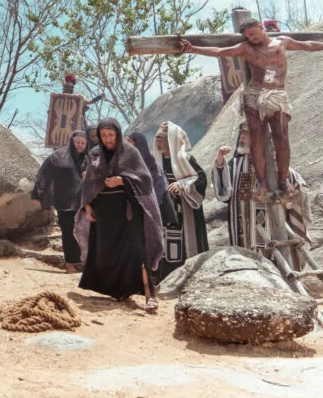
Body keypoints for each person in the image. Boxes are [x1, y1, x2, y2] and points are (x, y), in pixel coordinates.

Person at [179, 18, 323, 199]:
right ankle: (263, 183)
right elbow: (220, 51)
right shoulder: (246, 48)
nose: (251, 38)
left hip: (278, 95)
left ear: (260, 28)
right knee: (256, 140)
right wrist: (193, 49)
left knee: (282, 139)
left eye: (252, 33)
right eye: (247, 36)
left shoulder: (282, 42)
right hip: (255, 95)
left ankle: (283, 180)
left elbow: (307, 45)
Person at [74, 118, 164, 311]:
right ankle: (119, 291)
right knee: (109, 251)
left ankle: (149, 295)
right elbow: (89, 182)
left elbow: (145, 180)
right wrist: (87, 205)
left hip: (128, 211)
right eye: (104, 136)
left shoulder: (131, 152)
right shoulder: (95, 153)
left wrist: (122, 180)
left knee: (137, 250)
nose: (107, 139)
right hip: (104, 213)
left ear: (118, 134)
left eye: (111, 135)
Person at [212, 121, 311, 266]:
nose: (241, 139)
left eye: (246, 136)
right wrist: (220, 163)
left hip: (269, 226)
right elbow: (225, 192)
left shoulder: (272, 162)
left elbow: (292, 184)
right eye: (241, 135)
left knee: (272, 255)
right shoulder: (236, 164)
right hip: (243, 229)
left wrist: (286, 177)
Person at [152, 122, 208, 281]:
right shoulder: (158, 161)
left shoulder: (186, 159)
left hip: (186, 210)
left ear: (171, 140)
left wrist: (182, 185)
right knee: (166, 241)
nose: (159, 144)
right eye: (158, 140)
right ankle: (166, 277)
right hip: (166, 210)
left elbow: (201, 180)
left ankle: (189, 278)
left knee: (185, 244)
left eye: (162, 140)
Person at [31, 130, 88, 272]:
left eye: (83, 143)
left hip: (83, 202)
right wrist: (38, 194)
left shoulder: (88, 159)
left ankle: (80, 261)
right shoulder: (58, 157)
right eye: (77, 142)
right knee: (69, 233)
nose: (80, 145)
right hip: (65, 202)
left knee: (82, 232)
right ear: (71, 142)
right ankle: (69, 263)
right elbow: (44, 174)